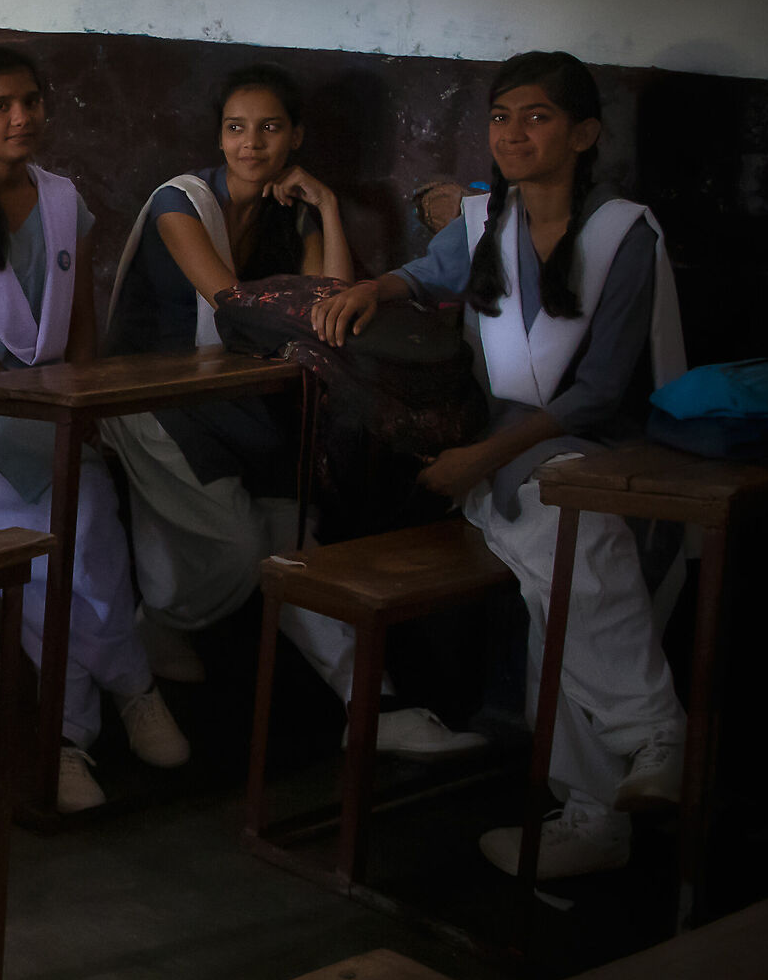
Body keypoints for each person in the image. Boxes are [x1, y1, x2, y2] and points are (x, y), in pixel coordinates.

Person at [313, 51, 688, 879]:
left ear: (584, 134)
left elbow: (599, 393)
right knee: (569, 555)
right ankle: (639, 755)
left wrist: (480, 457)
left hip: (589, 452)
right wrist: (376, 289)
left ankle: (610, 790)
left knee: (572, 535)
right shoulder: (488, 221)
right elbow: (425, 274)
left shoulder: (623, 233)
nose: (513, 133)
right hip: (507, 462)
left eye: (537, 116)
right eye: (499, 116)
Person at [100, 63, 485, 758]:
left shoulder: (294, 210)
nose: (251, 143)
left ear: (296, 136)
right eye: (236, 128)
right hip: (151, 402)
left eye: (270, 128)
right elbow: (237, 306)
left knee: (296, 541)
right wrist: (314, 303)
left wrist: (329, 207)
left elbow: (333, 310)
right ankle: (159, 623)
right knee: (243, 546)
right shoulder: (178, 204)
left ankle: (375, 707)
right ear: (218, 136)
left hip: (237, 401)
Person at [0, 46, 183, 814]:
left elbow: (81, 325)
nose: (21, 117)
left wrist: (75, 405)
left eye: (31, 101)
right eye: (1, 105)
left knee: (93, 531)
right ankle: (87, 720)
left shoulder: (61, 202)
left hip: (52, 401)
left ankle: (108, 706)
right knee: (35, 556)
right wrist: (34, 409)